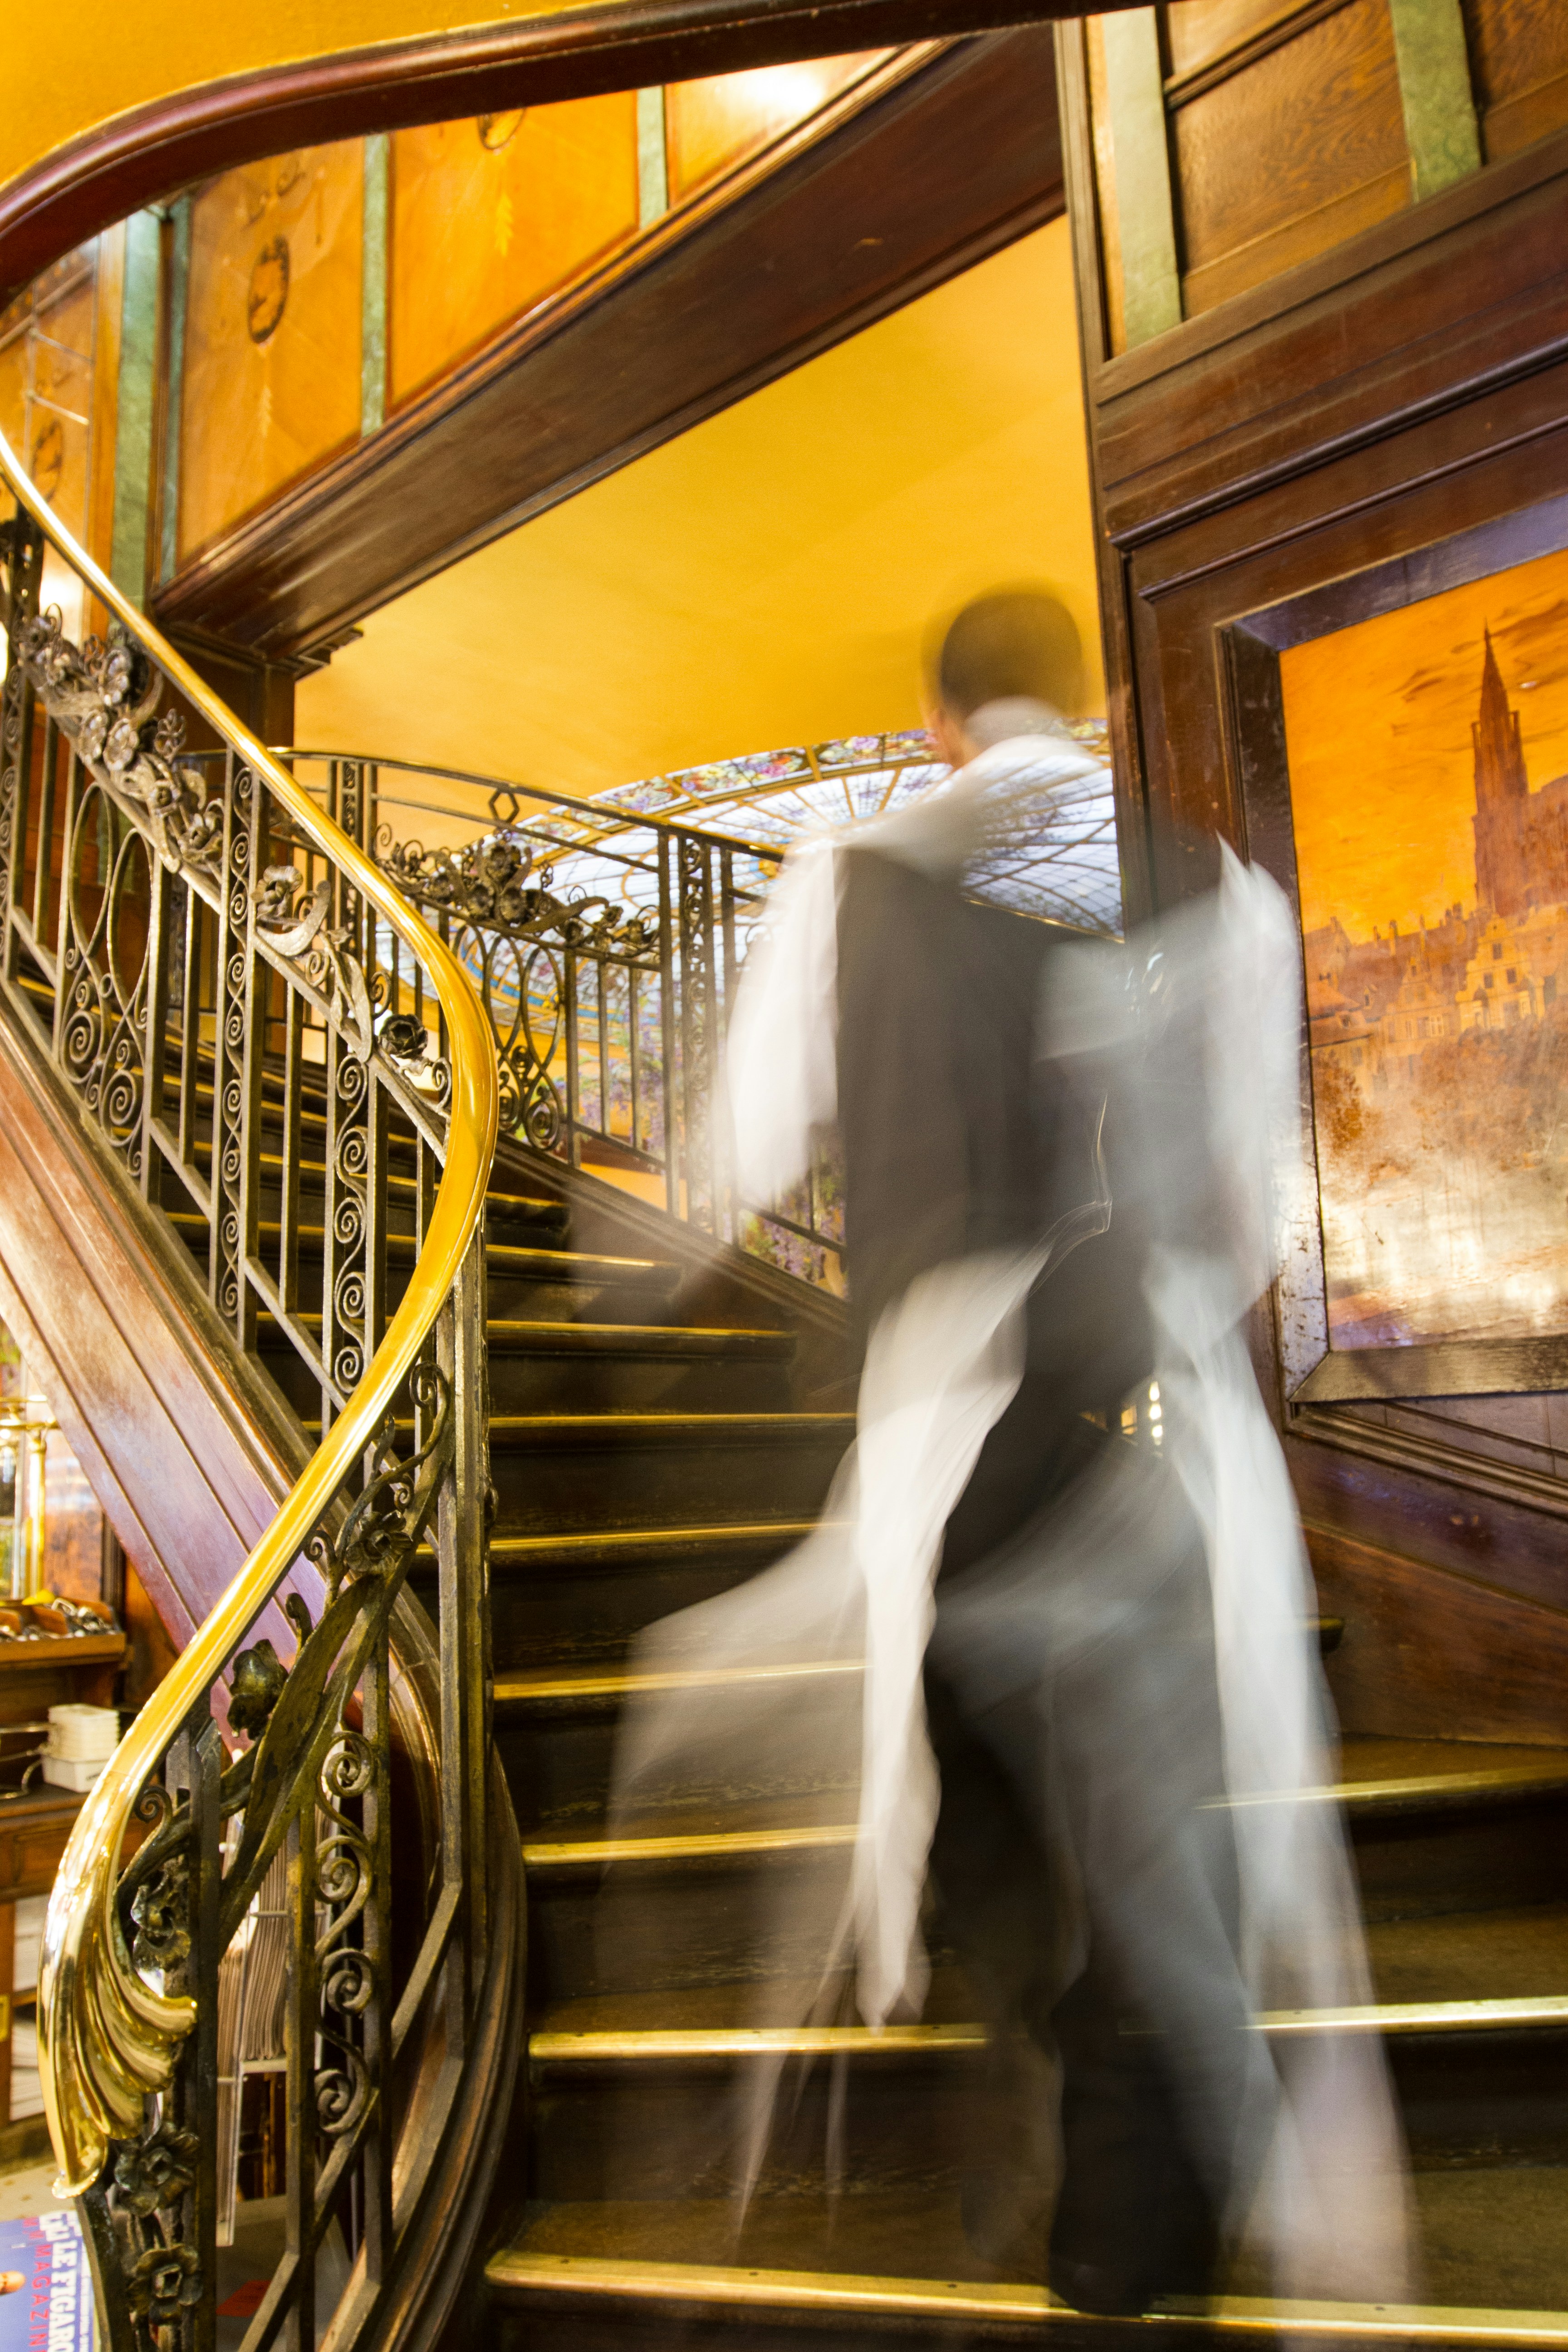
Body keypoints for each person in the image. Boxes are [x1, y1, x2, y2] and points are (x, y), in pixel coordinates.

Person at [612, 589, 1411, 2312]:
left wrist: (647, 1276)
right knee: (1154, 1818)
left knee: (968, 1774)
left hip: (951, 1437)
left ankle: (1018, 2064)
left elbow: (742, 1149)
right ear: (1087, 700)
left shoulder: (850, 881)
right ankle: (1135, 2227)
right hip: (1152, 1428)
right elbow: (1245, 1203)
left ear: (936, 721)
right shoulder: (1217, 881)